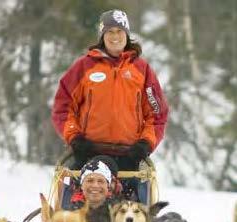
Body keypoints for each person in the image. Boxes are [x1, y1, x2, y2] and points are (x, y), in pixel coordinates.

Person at [51, 9, 169, 171]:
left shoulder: (142, 70)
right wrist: (75, 138)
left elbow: (157, 115)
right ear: (102, 36)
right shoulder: (84, 66)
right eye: (109, 32)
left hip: (129, 155)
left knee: (135, 195)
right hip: (88, 152)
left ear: (127, 34)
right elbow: (62, 108)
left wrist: (145, 144)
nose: (115, 37)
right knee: (75, 193)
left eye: (119, 31)